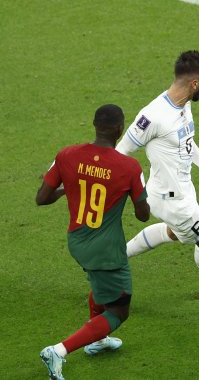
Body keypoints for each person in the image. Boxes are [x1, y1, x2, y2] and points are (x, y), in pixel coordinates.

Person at [116, 50, 199, 299]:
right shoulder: (152, 116)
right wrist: (136, 191)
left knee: (176, 232)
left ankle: (113, 258)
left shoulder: (183, 104)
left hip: (183, 191)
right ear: (194, 83)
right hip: (169, 199)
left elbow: (186, 141)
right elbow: (120, 154)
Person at [37, 104, 150, 380]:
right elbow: (143, 215)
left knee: (100, 284)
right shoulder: (129, 166)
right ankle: (59, 351)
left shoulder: (66, 155)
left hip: (77, 241)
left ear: (94, 125)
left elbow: (42, 197)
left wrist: (67, 189)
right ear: (120, 129)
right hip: (106, 250)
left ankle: (98, 341)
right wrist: (136, 190)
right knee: (119, 310)